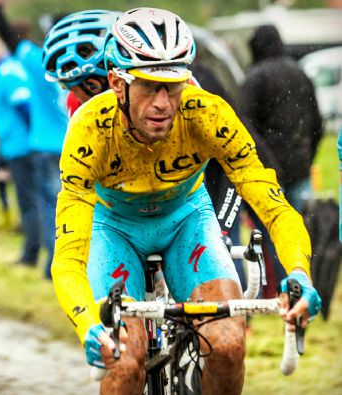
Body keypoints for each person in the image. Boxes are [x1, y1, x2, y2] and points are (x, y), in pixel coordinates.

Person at [51, 8, 322, 394]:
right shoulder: (89, 130)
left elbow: (274, 205)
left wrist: (299, 272)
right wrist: (88, 326)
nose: (163, 102)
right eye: (148, 86)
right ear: (116, 82)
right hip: (114, 229)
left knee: (228, 346)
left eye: (173, 86)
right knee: (126, 362)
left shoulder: (207, 113)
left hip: (187, 220)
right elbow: (67, 257)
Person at [238, 24, 323, 296]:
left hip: (268, 172)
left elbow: (245, 126)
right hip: (301, 168)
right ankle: (303, 286)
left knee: (272, 233)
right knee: (298, 233)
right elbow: (317, 123)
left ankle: (280, 292)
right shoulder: (301, 74)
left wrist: (264, 162)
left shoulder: (255, 78)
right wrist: (308, 157)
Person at [0, 0, 70, 278]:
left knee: (50, 207)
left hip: (45, 146)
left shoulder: (38, 62)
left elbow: (11, 40)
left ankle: (52, 266)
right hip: (77, 145)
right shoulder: (88, 67)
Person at [0, 33, 42, 266]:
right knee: (29, 199)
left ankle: (32, 253)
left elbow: (24, 105)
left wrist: (33, 135)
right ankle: (33, 249)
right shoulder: (7, 70)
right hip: (15, 144)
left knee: (29, 201)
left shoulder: (7, 72)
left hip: (22, 145)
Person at [41, 10, 121, 113]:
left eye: (64, 86)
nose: (69, 93)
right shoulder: (76, 104)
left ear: (92, 86)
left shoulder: (77, 105)